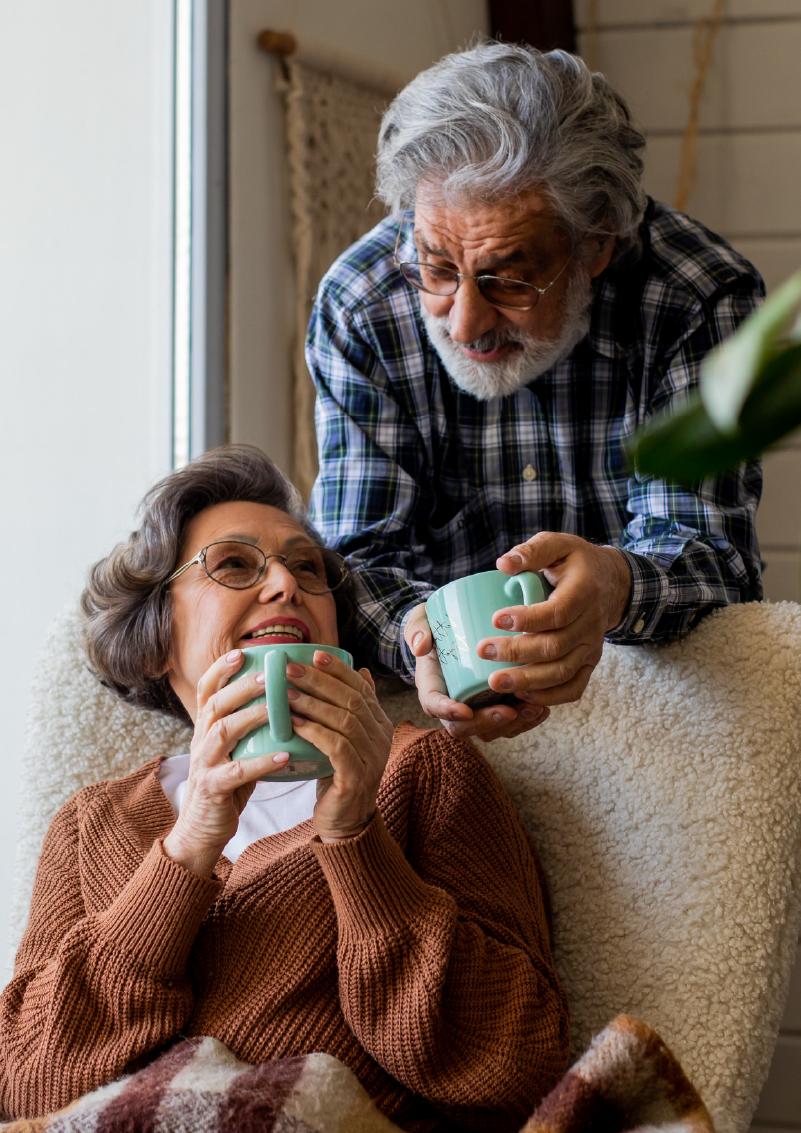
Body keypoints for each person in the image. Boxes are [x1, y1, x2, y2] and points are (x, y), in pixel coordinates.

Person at [0, 445, 568, 1133]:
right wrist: (189, 845)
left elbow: (522, 1064)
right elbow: (25, 1079)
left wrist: (356, 836)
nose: (286, 585)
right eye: (235, 564)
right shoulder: (92, 821)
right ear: (154, 641)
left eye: (308, 568)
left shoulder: (424, 770)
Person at [307, 42, 764, 746]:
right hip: (437, 713)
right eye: (435, 266)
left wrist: (616, 584)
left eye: (507, 279)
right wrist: (419, 638)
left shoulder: (696, 298)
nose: (463, 321)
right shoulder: (360, 303)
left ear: (596, 245)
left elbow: (713, 551)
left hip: (651, 700)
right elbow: (353, 560)